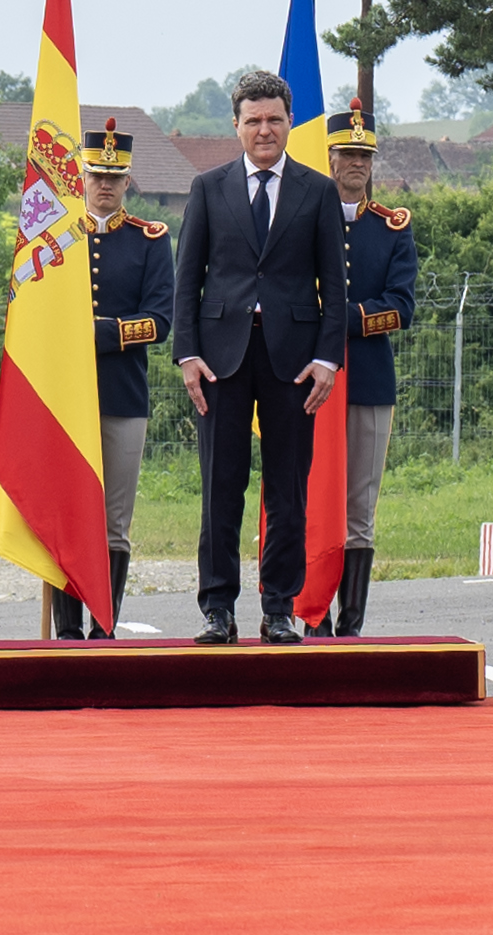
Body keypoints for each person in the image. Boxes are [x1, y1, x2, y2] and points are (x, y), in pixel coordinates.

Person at [174, 67, 343, 645]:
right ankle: (217, 609)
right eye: (253, 120)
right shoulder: (208, 187)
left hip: (293, 362)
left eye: (274, 119)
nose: (264, 130)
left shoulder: (317, 191)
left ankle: (279, 608)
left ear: (290, 121)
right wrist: (186, 354)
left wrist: (328, 360)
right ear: (236, 125)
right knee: (221, 488)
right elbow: (187, 278)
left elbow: (335, 286)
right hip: (219, 360)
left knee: (288, 491)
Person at [63, 119, 171, 641]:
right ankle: (66, 630)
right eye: (96, 175)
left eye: (114, 177)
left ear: (128, 181)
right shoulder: (57, 239)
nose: (104, 185)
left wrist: (97, 333)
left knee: (114, 521)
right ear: (82, 178)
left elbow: (160, 322)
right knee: (65, 515)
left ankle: (103, 626)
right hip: (64, 398)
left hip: (123, 395)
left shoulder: (149, 241)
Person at [325, 103, 415, 637]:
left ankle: (350, 623)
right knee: (315, 501)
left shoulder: (391, 227)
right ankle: (312, 614)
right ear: (330, 158)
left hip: (368, 380)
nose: (357, 163)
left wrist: (340, 319)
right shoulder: (304, 222)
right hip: (310, 381)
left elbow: (400, 308)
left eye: (365, 155)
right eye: (348, 153)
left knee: (359, 507)